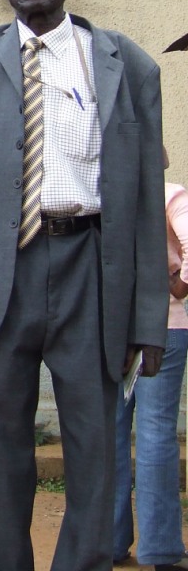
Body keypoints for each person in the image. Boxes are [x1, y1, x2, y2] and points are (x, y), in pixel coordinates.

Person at [0, 0, 168, 571]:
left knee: (96, 449)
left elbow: (146, 202)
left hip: (92, 270)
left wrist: (147, 316)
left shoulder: (129, 63)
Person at [113, 157, 188, 571]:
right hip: (165, 326)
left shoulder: (107, 199)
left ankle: (109, 540)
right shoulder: (171, 196)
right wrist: (175, 286)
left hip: (112, 330)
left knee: (111, 431)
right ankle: (159, 549)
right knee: (157, 430)